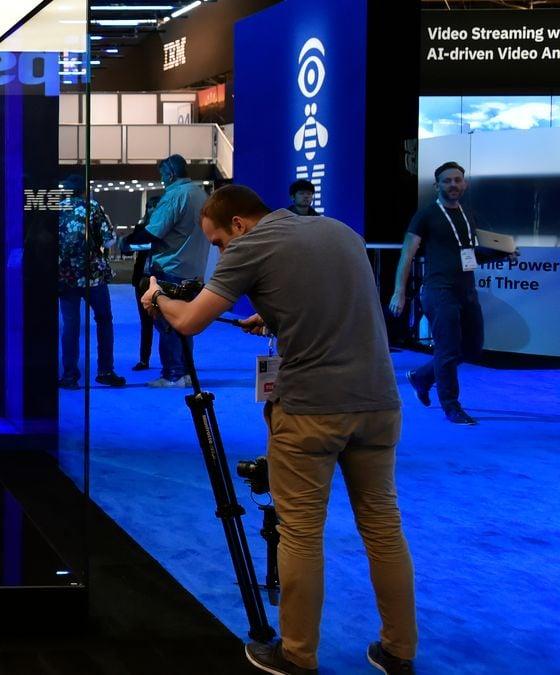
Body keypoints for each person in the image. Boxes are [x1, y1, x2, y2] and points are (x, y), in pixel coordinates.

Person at [141, 185, 416, 675]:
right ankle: (399, 650)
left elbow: (187, 322)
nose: (223, 253)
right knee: (383, 527)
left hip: (311, 411)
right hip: (379, 403)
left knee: (301, 534)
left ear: (240, 225)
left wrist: (158, 296)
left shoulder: (250, 245)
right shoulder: (341, 232)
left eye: (220, 242)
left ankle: (296, 655)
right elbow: (335, 300)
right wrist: (270, 314)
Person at [389, 161, 501, 426]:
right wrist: (398, 291)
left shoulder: (468, 214)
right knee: (448, 348)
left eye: (457, 180)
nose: (453, 184)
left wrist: (502, 253)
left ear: (465, 184)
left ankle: (422, 377)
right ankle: (451, 406)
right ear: (437, 185)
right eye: (447, 180)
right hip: (439, 290)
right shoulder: (426, 215)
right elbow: (407, 253)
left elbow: (469, 256)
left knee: (472, 348)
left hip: (466, 289)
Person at [144, 154, 210, 387]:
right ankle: (185, 372)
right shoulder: (201, 194)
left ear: (170, 174)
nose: (162, 180)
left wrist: (129, 242)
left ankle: (172, 373)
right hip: (193, 269)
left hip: (170, 268)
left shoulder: (174, 196)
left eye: (162, 175)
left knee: (168, 322)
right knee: (186, 322)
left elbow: (153, 232)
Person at [57, 174, 126, 389]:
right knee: (104, 320)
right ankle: (105, 371)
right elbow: (109, 239)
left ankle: (69, 375)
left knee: (70, 325)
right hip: (94, 276)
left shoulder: (56, 209)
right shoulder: (92, 206)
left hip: (65, 276)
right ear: (84, 190)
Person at [127, 195, 164, 371]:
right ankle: (144, 360)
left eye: (155, 207)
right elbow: (127, 249)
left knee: (168, 323)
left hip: (162, 279)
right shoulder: (141, 228)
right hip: (141, 280)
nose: (152, 210)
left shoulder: (166, 229)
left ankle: (177, 361)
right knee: (145, 322)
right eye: (150, 207)